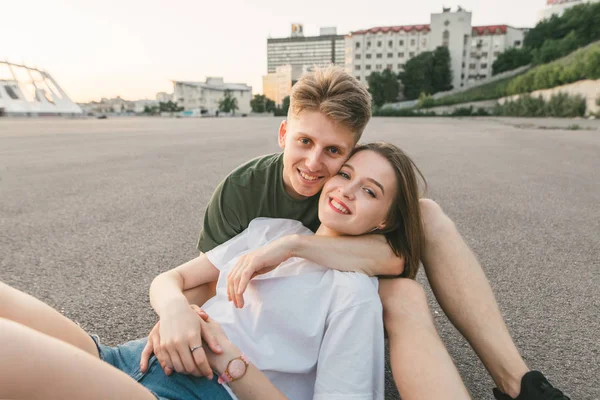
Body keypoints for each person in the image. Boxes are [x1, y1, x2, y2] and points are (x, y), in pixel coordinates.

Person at [142, 66, 569, 400]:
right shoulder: (243, 191)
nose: (314, 163)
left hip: (346, 297)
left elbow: (397, 257)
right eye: (304, 142)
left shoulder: (351, 188)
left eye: (334, 151)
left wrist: (290, 247)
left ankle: (518, 383)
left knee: (421, 239)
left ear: (354, 149)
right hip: (277, 315)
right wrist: (175, 313)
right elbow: (208, 280)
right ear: (283, 134)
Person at [0, 142, 466, 399]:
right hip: (126, 358)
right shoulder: (268, 231)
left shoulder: (354, 293)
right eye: (345, 175)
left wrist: (228, 361)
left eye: (370, 191)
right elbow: (170, 281)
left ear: (385, 219)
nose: (345, 190)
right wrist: (178, 314)